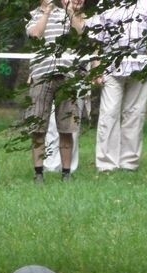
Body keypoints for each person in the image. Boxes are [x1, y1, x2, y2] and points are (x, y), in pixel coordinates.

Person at [84, 0, 147, 173]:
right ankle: (106, 164)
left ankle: (129, 163)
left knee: (135, 113)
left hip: (141, 65)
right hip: (111, 65)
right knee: (109, 113)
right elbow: (96, 37)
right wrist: (96, 66)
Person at [26, 0, 86, 183]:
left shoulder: (66, 14)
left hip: (66, 76)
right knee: (38, 128)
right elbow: (36, 34)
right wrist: (46, 13)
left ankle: (66, 174)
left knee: (66, 128)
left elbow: (79, 32)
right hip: (41, 76)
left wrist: (68, 11)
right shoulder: (31, 15)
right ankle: (39, 173)